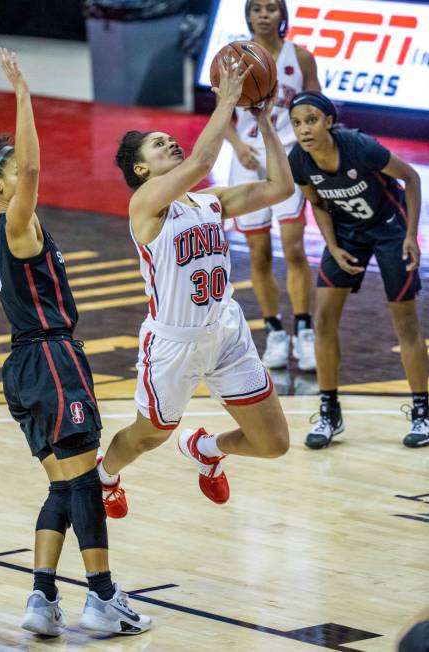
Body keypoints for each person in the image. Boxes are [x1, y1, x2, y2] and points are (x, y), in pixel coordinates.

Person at [0, 48, 151, 637]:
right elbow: (31, 175)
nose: (28, 176)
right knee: (85, 480)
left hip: (21, 367)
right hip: (51, 355)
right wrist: (22, 95)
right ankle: (103, 596)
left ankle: (41, 597)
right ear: (2, 186)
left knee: (63, 484)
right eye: (11, 172)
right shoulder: (17, 223)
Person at [96, 54, 292, 519]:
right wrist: (227, 98)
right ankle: (103, 476)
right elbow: (205, 157)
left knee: (274, 444)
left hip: (225, 331)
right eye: (158, 145)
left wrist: (262, 120)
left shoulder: (208, 202)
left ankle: (207, 448)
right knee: (148, 436)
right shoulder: (144, 205)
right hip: (174, 341)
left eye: (169, 139)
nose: (170, 143)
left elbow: (280, 187)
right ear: (141, 171)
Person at [287, 90, 428, 449]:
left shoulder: (360, 147)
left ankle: (423, 411)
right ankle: (329, 411)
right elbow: (316, 203)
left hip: (390, 229)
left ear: (329, 122)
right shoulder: (298, 160)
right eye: (297, 123)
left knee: (405, 322)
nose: (304, 129)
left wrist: (412, 234)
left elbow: (411, 177)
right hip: (347, 234)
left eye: (311, 120)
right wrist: (332, 246)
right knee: (323, 321)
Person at [225, 0, 321, 371]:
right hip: (247, 159)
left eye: (271, 8)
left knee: (295, 249)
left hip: (288, 156)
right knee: (259, 253)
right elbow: (219, 112)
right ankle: (274, 332)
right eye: (257, 8)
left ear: (283, 15)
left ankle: (304, 330)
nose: (264, 14)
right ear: (247, 15)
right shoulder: (232, 58)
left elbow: (316, 107)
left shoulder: (302, 58)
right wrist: (236, 146)